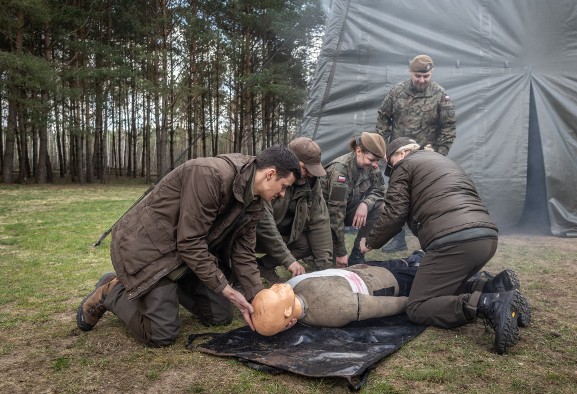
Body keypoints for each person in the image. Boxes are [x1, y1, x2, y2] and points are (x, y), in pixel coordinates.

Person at [76, 146, 301, 347]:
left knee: (220, 315)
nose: (282, 194)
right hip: (149, 250)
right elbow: (190, 242)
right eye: (284, 186)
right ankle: (111, 290)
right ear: (270, 174)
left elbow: (243, 252)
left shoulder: (256, 203)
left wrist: (258, 300)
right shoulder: (210, 174)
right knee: (161, 334)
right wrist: (225, 287)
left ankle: (167, 288)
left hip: (184, 257)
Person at [360, 138, 529, 354]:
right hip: (485, 237)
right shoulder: (442, 161)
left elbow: (394, 214)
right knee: (444, 288)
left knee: (418, 306)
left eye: (390, 163)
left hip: (454, 242)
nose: (390, 169)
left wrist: (371, 242)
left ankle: (490, 303)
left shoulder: (405, 165)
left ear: (401, 154)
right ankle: (494, 286)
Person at [376, 54, 456, 253]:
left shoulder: (440, 94)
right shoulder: (397, 92)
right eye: (418, 76)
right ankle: (397, 238)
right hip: (399, 156)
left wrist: (440, 155)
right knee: (396, 197)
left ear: (431, 73)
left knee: (427, 197)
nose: (422, 80)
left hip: (425, 157)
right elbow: (383, 118)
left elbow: (448, 127)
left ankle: (431, 239)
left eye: (426, 76)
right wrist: (384, 147)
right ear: (410, 72)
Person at [251, 252, 424, 336]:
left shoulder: (290, 287)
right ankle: (418, 264)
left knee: (398, 263)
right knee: (415, 273)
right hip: (379, 282)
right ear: (287, 312)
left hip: (356, 270)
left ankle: (412, 260)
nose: (275, 286)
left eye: (271, 289)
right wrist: (412, 304)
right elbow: (379, 306)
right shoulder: (335, 307)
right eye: (275, 293)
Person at [255, 137, 333, 283]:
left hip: (278, 234)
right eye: (305, 168)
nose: (310, 174)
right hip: (253, 234)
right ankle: (239, 273)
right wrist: (288, 260)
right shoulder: (269, 178)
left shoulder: (311, 183)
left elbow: (319, 222)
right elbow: (264, 223)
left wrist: (325, 270)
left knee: (304, 243)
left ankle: (262, 266)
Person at [321, 132, 386, 268]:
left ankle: (357, 254)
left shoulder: (371, 166)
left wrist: (365, 204)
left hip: (347, 210)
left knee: (381, 207)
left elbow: (379, 190)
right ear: (358, 151)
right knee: (330, 268)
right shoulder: (340, 170)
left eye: (377, 161)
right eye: (372, 159)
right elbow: (335, 212)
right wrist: (341, 252)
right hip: (324, 218)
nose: (375, 165)